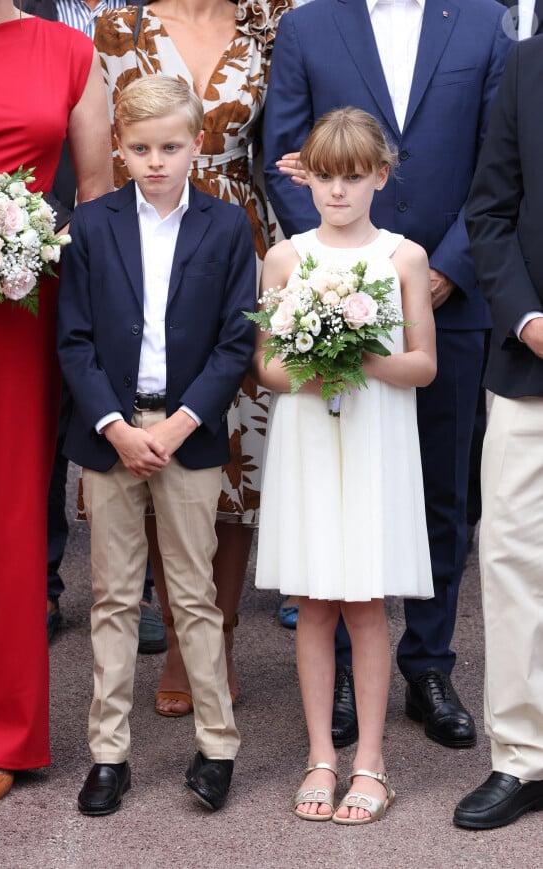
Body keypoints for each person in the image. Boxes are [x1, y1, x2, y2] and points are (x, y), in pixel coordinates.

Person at [263, 0, 511, 752]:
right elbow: (282, 153)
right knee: (337, 494)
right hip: (331, 291)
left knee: (441, 490)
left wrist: (446, 270)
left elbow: (498, 157)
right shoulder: (308, 26)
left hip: (450, 294)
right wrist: (335, 277)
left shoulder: (481, 21)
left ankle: (429, 663)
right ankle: (338, 668)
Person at [57, 75, 256, 815]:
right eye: (140, 148)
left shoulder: (227, 226)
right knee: (111, 595)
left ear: (196, 144)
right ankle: (109, 753)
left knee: (194, 595)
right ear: (119, 147)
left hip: (187, 435)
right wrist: (114, 424)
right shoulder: (95, 224)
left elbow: (237, 340)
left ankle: (216, 745)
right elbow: (74, 341)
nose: (156, 161)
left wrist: (177, 425)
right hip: (112, 434)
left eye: (171, 147)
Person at [94, 0, 292, 717]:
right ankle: (178, 634)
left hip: (242, 238)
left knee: (238, 450)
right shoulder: (122, 30)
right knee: (154, 437)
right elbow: (99, 147)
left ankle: (222, 636)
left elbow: (289, 130)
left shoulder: (268, 26)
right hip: (145, 238)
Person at [254, 107, 436, 824]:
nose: (337, 192)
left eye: (353, 177)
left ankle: (371, 758)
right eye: (325, 177)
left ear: (379, 177)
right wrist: (312, 359)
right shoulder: (286, 257)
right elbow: (266, 367)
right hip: (308, 433)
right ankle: (320, 752)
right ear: (308, 179)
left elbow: (422, 364)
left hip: (372, 436)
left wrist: (360, 353)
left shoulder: (404, 258)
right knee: (315, 600)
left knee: (363, 601)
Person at [0, 0, 112, 807]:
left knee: (15, 510)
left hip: (19, 303)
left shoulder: (67, 52)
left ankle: (1, 729)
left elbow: (93, 205)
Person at [16, 0, 164, 653]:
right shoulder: (22, 12)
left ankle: (144, 591)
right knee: (37, 423)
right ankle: (42, 582)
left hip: (133, 231)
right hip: (23, 244)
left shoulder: (150, 14)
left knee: (136, 399)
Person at [453, 35, 543, 831]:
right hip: (530, 363)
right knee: (512, 557)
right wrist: (529, 318)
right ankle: (522, 757)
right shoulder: (527, 64)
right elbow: (491, 211)